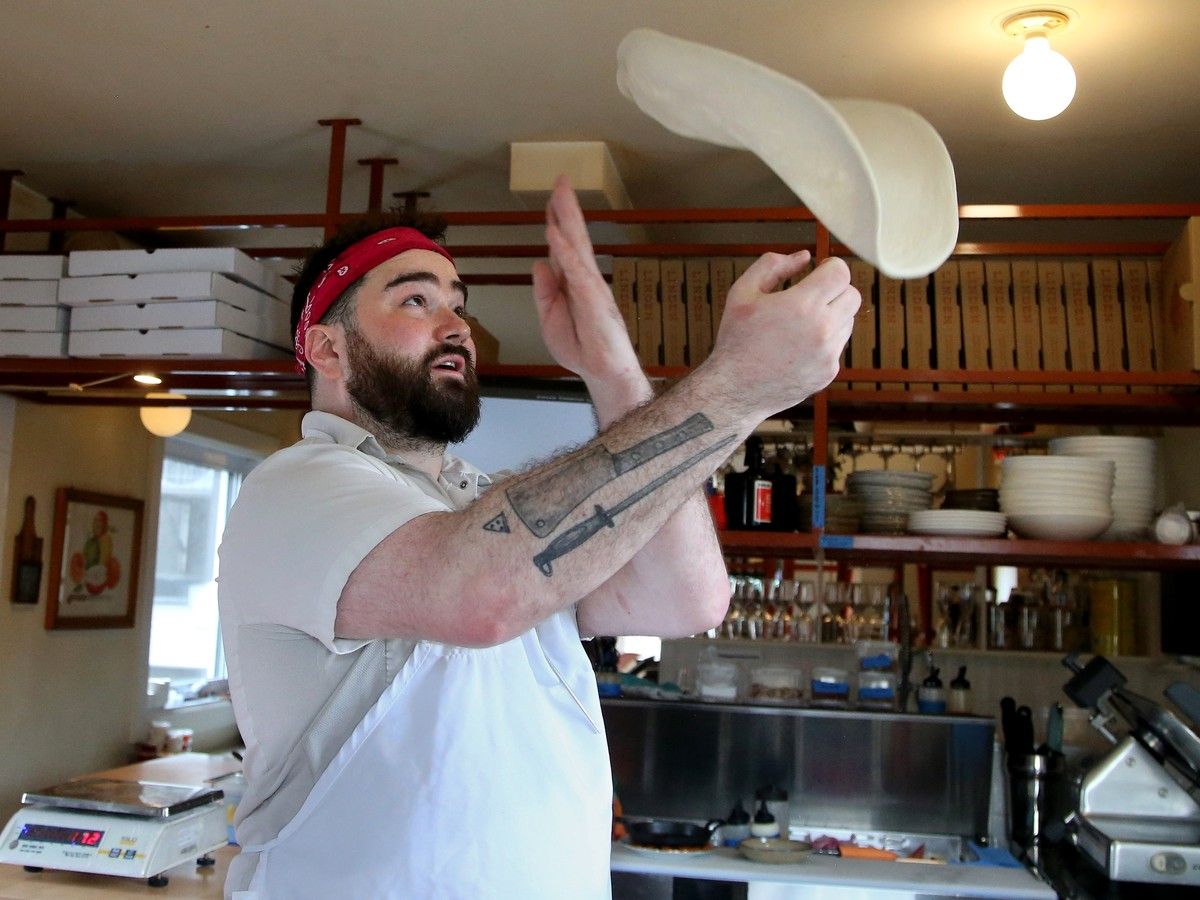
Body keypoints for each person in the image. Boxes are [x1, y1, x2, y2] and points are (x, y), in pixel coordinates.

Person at [217, 175, 859, 898]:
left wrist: (612, 370)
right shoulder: (297, 488)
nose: (457, 325)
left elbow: (686, 598)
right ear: (328, 349)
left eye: (458, 304)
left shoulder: (475, 505)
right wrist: (739, 386)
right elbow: (480, 594)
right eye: (415, 300)